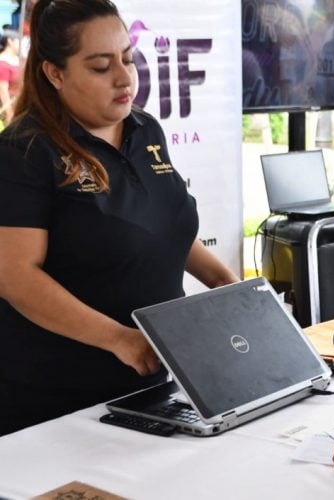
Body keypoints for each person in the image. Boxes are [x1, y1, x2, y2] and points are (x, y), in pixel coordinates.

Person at [0, 0, 240, 436]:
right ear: (55, 73)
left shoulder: (146, 130)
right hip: (55, 398)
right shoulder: (25, 151)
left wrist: (231, 289)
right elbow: (15, 276)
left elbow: (163, 228)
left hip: (150, 384)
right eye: (99, 67)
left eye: (128, 58)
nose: (124, 77)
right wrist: (119, 338)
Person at [0, 26, 21, 124]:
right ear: (10, 41)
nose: (20, 44)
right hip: (10, 109)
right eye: (18, 41)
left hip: (19, 106)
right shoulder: (3, 63)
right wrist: (9, 114)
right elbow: (3, 91)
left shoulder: (17, 60)